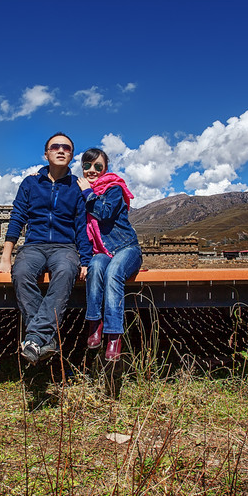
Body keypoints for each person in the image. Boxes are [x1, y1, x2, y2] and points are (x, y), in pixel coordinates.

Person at [0, 132, 93, 365]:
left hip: (65, 247)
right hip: (34, 246)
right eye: (55, 147)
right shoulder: (31, 183)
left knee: (64, 272)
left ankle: (34, 338)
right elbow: (17, 217)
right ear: (46, 153)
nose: (61, 150)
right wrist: (6, 256)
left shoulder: (76, 187)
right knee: (21, 273)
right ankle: (45, 339)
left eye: (67, 148)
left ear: (71, 156)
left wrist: (85, 260)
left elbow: (81, 225)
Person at [77, 148, 142, 361]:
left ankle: (114, 335)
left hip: (126, 248)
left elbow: (104, 213)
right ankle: (94, 323)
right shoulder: (81, 189)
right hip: (101, 251)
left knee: (113, 272)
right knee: (95, 267)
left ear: (105, 168)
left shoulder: (113, 188)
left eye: (98, 166)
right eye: (87, 165)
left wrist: (88, 193)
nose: (92, 170)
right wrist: (39, 174)